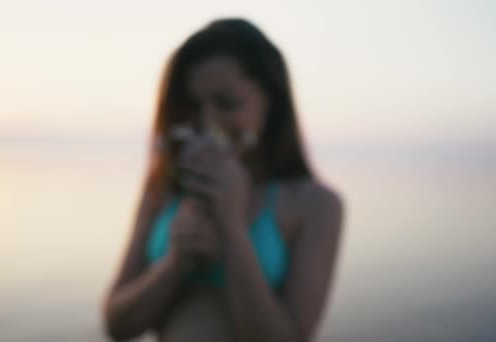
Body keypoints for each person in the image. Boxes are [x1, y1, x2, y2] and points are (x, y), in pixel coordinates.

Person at [102, 17, 344, 342]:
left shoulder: (317, 204)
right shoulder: (161, 187)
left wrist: (232, 231)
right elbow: (117, 325)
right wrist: (174, 264)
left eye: (226, 104)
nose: (207, 123)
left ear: (272, 100)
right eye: (190, 106)